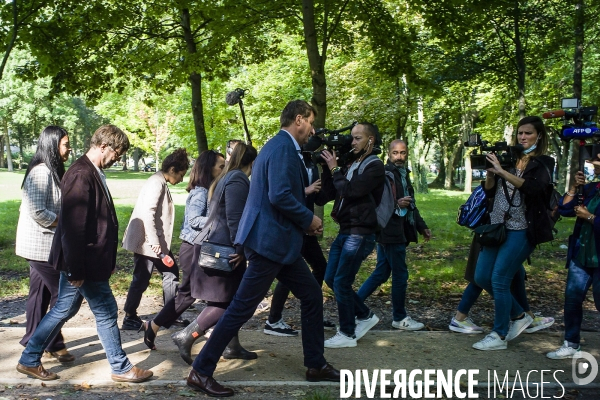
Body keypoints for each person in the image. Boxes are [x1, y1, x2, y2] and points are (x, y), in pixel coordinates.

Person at [186, 100, 339, 397]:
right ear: (298, 119)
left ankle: (316, 364)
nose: (312, 129)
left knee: (310, 295)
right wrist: (309, 219)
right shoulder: (283, 148)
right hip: (270, 243)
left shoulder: (280, 146)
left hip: (279, 243)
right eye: (310, 122)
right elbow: (280, 195)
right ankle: (200, 371)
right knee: (241, 308)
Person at [17, 125, 153, 383]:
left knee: (63, 309)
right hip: (83, 263)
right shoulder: (81, 174)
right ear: (104, 146)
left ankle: (29, 358)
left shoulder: (92, 171)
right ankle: (121, 367)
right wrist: (75, 269)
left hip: (88, 261)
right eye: (117, 152)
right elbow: (73, 228)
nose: (118, 158)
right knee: (106, 310)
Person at [471, 115, 555, 351]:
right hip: (497, 227)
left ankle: (499, 334)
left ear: (539, 136)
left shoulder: (543, 163)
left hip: (522, 230)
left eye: (528, 133)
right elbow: (490, 193)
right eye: (520, 133)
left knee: (499, 279)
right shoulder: (509, 158)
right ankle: (519, 315)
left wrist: (502, 171)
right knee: (481, 276)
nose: (523, 137)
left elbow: (533, 188)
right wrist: (490, 174)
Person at [171, 143, 258, 364]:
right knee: (224, 303)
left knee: (228, 300)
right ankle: (186, 336)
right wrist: (241, 249)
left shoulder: (227, 178)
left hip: (217, 246)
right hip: (225, 250)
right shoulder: (238, 179)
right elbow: (234, 219)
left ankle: (232, 346)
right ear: (253, 162)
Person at [140, 150, 224, 349]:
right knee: (189, 295)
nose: (224, 169)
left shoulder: (208, 190)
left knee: (206, 293)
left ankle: (216, 335)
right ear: (208, 168)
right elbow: (194, 220)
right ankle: (157, 325)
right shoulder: (201, 192)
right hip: (193, 250)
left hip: (200, 248)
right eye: (221, 166)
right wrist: (220, 221)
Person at [320, 122, 385, 348]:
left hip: (360, 232)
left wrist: (335, 168)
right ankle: (365, 315)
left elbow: (351, 190)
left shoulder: (375, 166)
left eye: (358, 138)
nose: (352, 142)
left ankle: (347, 334)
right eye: (352, 137)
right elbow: (328, 194)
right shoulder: (351, 162)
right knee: (331, 278)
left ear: (370, 140)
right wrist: (327, 167)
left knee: (341, 282)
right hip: (346, 230)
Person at [356, 140, 431, 331]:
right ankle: (400, 317)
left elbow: (412, 204)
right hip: (389, 231)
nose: (399, 157)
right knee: (400, 274)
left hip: (399, 230)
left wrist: (422, 226)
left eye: (403, 153)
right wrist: (396, 203)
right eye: (395, 153)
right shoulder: (385, 175)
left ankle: (353, 306)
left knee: (381, 272)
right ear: (389, 154)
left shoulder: (404, 174)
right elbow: (377, 202)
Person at [15, 126, 75, 363]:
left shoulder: (52, 171)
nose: (69, 149)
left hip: (43, 245)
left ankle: (32, 337)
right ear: (52, 145)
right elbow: (39, 212)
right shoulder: (41, 172)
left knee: (39, 295)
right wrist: (67, 223)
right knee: (63, 296)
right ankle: (51, 341)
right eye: (65, 144)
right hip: (39, 246)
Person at [264, 151, 336, 336]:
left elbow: (321, 198)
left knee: (320, 267)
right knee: (289, 271)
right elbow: (278, 194)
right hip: (291, 226)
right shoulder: (286, 158)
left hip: (306, 227)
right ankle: (273, 320)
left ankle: (312, 314)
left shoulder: (311, 163)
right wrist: (306, 190)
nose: (312, 135)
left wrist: (329, 170)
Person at [121, 149, 190, 330]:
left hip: (151, 242)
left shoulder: (158, 181)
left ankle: (162, 314)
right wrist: (156, 245)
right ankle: (136, 316)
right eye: (181, 174)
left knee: (151, 276)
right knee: (161, 275)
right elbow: (148, 214)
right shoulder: (156, 183)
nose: (182, 179)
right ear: (173, 169)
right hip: (149, 243)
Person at [449, 237, 554, 335]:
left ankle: (526, 316)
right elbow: (497, 217)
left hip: (500, 231)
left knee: (514, 270)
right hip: (496, 232)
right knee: (484, 275)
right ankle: (519, 317)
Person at [546, 168, 600, 359]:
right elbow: (565, 209)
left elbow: (586, 215)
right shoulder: (592, 188)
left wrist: (590, 217)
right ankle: (571, 343)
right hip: (581, 255)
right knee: (572, 300)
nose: (595, 166)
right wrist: (574, 188)